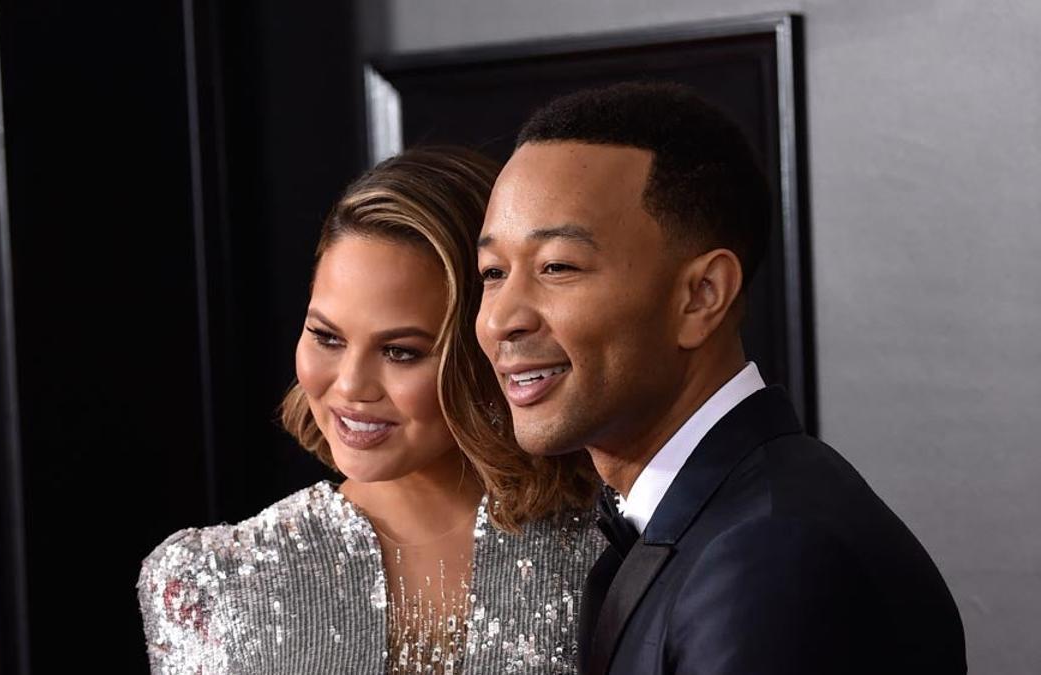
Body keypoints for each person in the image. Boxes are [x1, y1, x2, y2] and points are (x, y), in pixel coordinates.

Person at [475, 82, 966, 674]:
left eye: (558, 266)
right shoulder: (719, 517)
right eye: (494, 271)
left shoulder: (768, 554)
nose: (501, 318)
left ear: (701, 295)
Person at [137, 147, 603, 674]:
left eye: (400, 351)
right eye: (327, 337)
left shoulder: (613, 547)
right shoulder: (210, 581)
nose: (350, 385)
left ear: (486, 348)